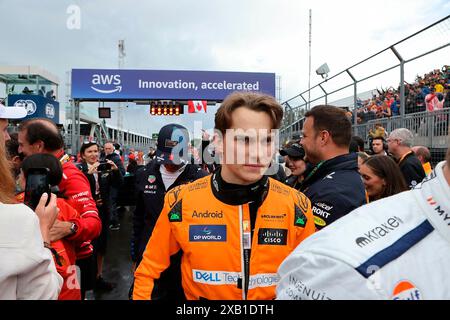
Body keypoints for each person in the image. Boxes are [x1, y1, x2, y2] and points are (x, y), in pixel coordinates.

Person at [133, 92, 315, 300]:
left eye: (266, 141)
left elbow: (310, 280)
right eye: (244, 140)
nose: (257, 153)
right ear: (218, 142)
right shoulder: (181, 202)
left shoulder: (297, 205)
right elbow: (149, 271)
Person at [276, 139, 450, 300]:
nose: (360, 182)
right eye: (360, 176)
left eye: (366, 177)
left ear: (385, 180)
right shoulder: (343, 260)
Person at [17, 118, 101, 298]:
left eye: (22, 144)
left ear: (38, 146)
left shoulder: (70, 175)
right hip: (41, 260)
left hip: (73, 261)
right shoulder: (35, 172)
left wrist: (70, 227)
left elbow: (94, 223)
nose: (20, 150)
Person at [131, 124, 208, 300]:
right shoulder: (144, 174)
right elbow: (138, 219)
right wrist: (135, 257)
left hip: (185, 260)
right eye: (166, 157)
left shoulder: (200, 178)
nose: (170, 163)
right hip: (150, 257)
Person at [0, 124, 62, 299]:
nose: (7, 139)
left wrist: (72, 227)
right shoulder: (19, 215)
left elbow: (91, 224)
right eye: (4, 130)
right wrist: (43, 231)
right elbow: (45, 294)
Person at [19, 154, 82, 300]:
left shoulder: (16, 206)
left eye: (21, 174)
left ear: (27, 180)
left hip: (40, 286)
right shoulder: (66, 206)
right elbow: (81, 239)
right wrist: (71, 228)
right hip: (70, 285)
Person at [299, 105, 367, 230]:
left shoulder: (332, 191)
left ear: (323, 137)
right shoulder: (336, 175)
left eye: (304, 136)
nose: (301, 142)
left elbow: (309, 244)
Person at [77, 141, 123, 292]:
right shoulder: (79, 170)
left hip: (102, 211)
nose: (94, 154)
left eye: (96, 151)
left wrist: (116, 171)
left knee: (102, 247)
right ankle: (84, 282)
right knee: (88, 248)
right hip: (85, 214)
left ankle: (98, 277)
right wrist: (88, 175)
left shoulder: (104, 168)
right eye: (90, 152)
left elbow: (119, 185)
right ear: (83, 155)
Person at [103, 142, 125, 231]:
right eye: (106, 149)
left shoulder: (116, 158)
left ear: (113, 149)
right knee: (108, 202)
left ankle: (114, 222)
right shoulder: (104, 157)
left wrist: (113, 171)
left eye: (109, 149)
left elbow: (122, 171)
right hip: (106, 184)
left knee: (111, 202)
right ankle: (110, 221)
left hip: (113, 184)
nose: (107, 150)